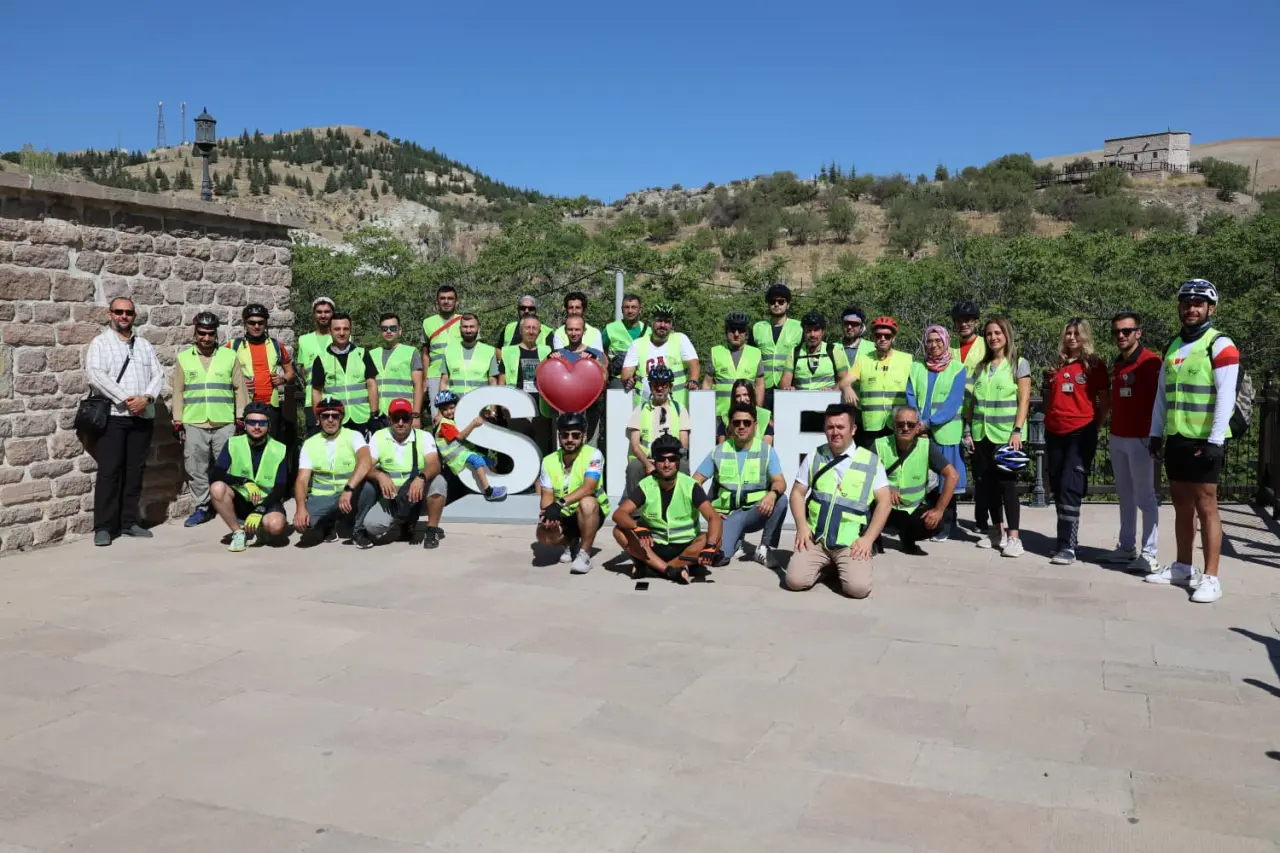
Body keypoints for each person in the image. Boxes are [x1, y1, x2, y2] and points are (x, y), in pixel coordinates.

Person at [1146, 279, 1239, 604]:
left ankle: (1211, 577)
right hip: (1178, 437)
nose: (1191, 309)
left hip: (1205, 439)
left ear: (1211, 308)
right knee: (1181, 504)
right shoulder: (1173, 346)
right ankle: (1183, 566)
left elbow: (1226, 395)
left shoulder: (1220, 344)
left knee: (1207, 505)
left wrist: (1215, 440)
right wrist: (1156, 432)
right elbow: (1163, 395)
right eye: (1186, 303)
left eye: (1198, 304)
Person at [786, 404, 892, 598]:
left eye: (841, 427)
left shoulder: (871, 462)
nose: (835, 432)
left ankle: (845, 565)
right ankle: (828, 566)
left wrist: (868, 539)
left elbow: (885, 503)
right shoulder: (814, 456)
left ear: (853, 429)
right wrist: (801, 527)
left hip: (851, 543)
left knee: (858, 590)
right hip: (817, 539)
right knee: (795, 581)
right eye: (830, 427)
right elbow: (796, 494)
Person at [86, 297, 165, 546]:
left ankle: (129, 522)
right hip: (114, 417)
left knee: (135, 471)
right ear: (110, 314)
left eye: (128, 312)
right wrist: (127, 399)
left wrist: (147, 398)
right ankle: (104, 527)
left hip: (142, 417)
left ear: (134, 316)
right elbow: (96, 376)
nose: (124, 316)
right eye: (119, 311)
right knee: (110, 472)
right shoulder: (100, 343)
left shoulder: (144, 345)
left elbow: (158, 374)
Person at [611, 434, 723, 584]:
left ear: (678, 461)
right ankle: (672, 570)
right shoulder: (646, 485)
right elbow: (619, 514)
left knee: (715, 540)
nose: (666, 464)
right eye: (661, 459)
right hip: (654, 546)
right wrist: (636, 527)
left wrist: (710, 546)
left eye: (671, 459)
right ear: (654, 461)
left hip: (686, 546)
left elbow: (713, 517)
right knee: (619, 531)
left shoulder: (690, 486)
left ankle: (655, 569)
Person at [1042, 318, 1110, 565]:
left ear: (1085, 337)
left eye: (1077, 333)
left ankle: (1066, 546)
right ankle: (1069, 540)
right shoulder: (1055, 365)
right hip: (1054, 432)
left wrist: (1093, 426)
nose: (1072, 337)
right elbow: (1048, 398)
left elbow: (1105, 401)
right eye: (1068, 333)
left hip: (1081, 433)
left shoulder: (1094, 365)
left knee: (1071, 485)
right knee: (1058, 486)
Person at [964, 315, 1032, 556]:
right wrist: (968, 430)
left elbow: (1024, 399)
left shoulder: (1018, 364)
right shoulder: (980, 367)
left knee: (1008, 486)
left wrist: (1017, 430)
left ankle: (1014, 537)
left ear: (1006, 335)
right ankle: (997, 531)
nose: (993, 337)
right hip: (981, 434)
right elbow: (972, 401)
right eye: (989, 334)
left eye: (997, 333)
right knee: (988, 485)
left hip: (1005, 435)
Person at [693, 402, 788, 569]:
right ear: (730, 425)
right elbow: (694, 483)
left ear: (755, 425)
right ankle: (735, 541)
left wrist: (772, 494)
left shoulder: (766, 450)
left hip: (755, 511)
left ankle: (764, 548)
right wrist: (710, 511)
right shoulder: (719, 451)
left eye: (747, 422)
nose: (742, 426)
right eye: (737, 422)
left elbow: (780, 482)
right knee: (719, 559)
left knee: (781, 500)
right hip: (728, 515)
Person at [172, 312, 244, 527]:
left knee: (230, 467)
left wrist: (240, 417)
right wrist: (177, 420)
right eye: (202, 333)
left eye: (210, 334)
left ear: (216, 334)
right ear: (195, 333)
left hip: (224, 422)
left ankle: (232, 505)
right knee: (195, 467)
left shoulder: (229, 356)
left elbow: (239, 388)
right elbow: (178, 391)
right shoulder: (184, 358)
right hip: (194, 421)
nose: (206, 338)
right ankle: (202, 507)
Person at [1103, 310, 1162, 572]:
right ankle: (1127, 547)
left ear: (1138, 333)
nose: (1121, 335)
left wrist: (1157, 436)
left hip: (1142, 438)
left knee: (1145, 497)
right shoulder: (1118, 363)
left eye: (1126, 331)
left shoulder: (1151, 362)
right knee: (1125, 495)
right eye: (1117, 331)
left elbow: (1162, 400)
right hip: (1118, 436)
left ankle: (1149, 553)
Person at [353, 398, 447, 549]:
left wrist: (421, 478)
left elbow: (434, 464)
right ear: (389, 419)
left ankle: (431, 531)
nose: (401, 422)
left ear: (412, 419)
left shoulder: (424, 436)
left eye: (405, 418)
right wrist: (380, 475)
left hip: (418, 493)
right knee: (372, 526)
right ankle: (403, 522)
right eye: (396, 418)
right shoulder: (379, 436)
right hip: (392, 496)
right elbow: (366, 467)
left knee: (439, 482)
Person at [905, 325, 967, 541]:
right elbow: (910, 396)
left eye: (938, 340)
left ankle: (946, 524)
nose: (934, 345)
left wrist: (928, 423)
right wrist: (916, 423)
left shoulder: (957, 368)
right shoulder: (916, 367)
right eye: (930, 341)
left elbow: (952, 403)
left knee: (946, 481)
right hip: (920, 432)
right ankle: (926, 524)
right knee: (925, 480)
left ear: (946, 342)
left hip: (945, 433)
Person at [873, 406, 960, 556]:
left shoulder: (926, 446)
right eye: (901, 424)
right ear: (893, 425)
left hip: (911, 508)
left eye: (911, 425)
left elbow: (952, 475)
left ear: (918, 426)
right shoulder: (879, 445)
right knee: (863, 511)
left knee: (935, 524)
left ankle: (908, 539)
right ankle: (874, 541)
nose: (906, 428)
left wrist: (938, 511)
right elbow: (864, 475)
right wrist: (886, 488)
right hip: (883, 505)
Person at [209, 401, 289, 552]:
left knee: (275, 526)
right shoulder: (233, 443)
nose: (257, 427)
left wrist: (260, 509)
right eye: (252, 422)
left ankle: (260, 528)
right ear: (245, 425)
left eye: (262, 423)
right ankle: (238, 532)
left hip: (266, 499)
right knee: (217, 488)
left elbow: (281, 487)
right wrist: (244, 481)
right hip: (241, 498)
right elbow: (215, 475)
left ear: (269, 426)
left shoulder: (279, 449)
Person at [293, 397, 372, 546]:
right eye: (325, 416)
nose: (330, 420)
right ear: (319, 419)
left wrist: (348, 489)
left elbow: (365, 461)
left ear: (341, 417)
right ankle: (328, 522)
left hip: (348, 493)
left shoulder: (354, 436)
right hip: (322, 496)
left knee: (369, 487)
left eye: (335, 416)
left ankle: (358, 530)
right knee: (304, 525)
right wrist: (300, 508)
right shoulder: (310, 443)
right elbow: (302, 480)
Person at [536, 412, 608, 574]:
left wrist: (558, 504)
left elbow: (589, 487)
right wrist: (548, 516)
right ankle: (569, 542)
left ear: (584, 436)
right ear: (559, 436)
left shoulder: (593, 454)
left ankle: (584, 554)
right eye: (565, 435)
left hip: (590, 513)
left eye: (575, 435)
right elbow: (546, 494)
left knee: (587, 502)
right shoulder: (548, 460)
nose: (570, 439)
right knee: (543, 535)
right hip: (565, 514)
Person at [228, 304, 294, 445]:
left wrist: (283, 379)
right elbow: (222, 375)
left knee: (271, 446)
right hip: (245, 406)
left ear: (266, 324)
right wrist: (238, 383)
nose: (256, 326)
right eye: (252, 323)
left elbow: (290, 372)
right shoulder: (233, 346)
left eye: (260, 323)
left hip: (271, 406)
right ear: (245, 324)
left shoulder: (277, 346)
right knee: (245, 447)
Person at [951, 299, 989, 533]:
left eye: (968, 320)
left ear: (976, 322)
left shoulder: (986, 345)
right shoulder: (949, 346)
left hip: (977, 416)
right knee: (950, 468)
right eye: (959, 321)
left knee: (981, 471)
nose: (963, 324)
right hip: (952, 416)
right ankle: (949, 518)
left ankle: (981, 521)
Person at [850, 316, 914, 448]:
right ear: (873, 337)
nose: (882, 339)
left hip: (898, 423)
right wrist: (847, 388)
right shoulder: (863, 360)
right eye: (878, 335)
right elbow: (845, 381)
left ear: (893, 338)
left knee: (896, 459)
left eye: (887, 336)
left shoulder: (907, 360)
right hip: (871, 425)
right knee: (870, 459)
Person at [624, 365, 689, 494]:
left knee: (684, 467)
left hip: (670, 458)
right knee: (633, 468)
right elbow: (635, 445)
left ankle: (682, 503)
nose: (659, 388)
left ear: (670, 387)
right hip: (647, 459)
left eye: (664, 385)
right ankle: (634, 506)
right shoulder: (640, 410)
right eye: (655, 385)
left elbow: (683, 443)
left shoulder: (679, 409)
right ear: (650, 386)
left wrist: (669, 461)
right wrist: (648, 464)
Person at [620, 303, 700, 408]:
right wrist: (628, 380)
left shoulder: (681, 339)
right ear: (651, 322)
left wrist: (693, 380)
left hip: (676, 407)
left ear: (671, 324)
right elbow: (626, 372)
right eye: (659, 320)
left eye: (667, 322)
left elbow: (694, 364)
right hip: (645, 407)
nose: (663, 325)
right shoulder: (638, 344)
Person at [310, 311, 377, 436]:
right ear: (330, 331)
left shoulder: (362, 354)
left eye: (345, 329)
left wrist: (374, 414)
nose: (341, 333)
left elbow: (371, 385)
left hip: (362, 418)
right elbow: (316, 391)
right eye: (337, 329)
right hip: (334, 419)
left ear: (350, 331)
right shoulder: (321, 359)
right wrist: (319, 419)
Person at [434, 389, 507, 501]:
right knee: (477, 460)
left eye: (451, 408)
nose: (448, 411)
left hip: (464, 452)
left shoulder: (456, 419)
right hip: (455, 457)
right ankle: (489, 491)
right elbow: (460, 437)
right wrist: (473, 424)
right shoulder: (445, 424)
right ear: (440, 411)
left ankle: (498, 482)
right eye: (444, 409)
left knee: (489, 460)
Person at [550, 315, 606, 447]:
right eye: (570, 329)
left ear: (583, 331)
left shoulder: (595, 353)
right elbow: (543, 376)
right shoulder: (557, 354)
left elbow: (604, 378)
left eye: (577, 329)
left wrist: (593, 363)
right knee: (566, 447)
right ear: (565, 331)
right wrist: (552, 361)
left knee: (590, 447)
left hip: (591, 409)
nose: (574, 333)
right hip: (563, 412)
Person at [502, 313, 554, 454]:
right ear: (521, 330)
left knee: (542, 449)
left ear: (539, 332)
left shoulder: (548, 351)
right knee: (518, 450)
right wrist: (502, 404)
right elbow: (502, 379)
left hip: (541, 410)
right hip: (516, 408)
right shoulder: (508, 352)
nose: (531, 331)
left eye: (534, 328)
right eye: (527, 328)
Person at [780, 310, 857, 400]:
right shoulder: (794, 352)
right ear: (804, 332)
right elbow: (785, 382)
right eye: (808, 330)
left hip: (828, 404)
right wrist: (787, 388)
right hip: (802, 404)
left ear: (823, 331)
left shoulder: (834, 351)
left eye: (816, 330)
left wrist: (833, 391)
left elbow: (845, 380)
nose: (812, 334)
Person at [750, 282, 803, 410]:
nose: (776, 304)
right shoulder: (758, 328)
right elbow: (750, 358)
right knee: (763, 420)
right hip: (763, 387)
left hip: (789, 387)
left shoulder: (799, 327)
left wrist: (796, 383)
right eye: (772, 301)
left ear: (788, 304)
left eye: (781, 301)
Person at [705, 311, 764, 424]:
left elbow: (760, 385)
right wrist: (706, 410)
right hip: (719, 415)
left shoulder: (756, 353)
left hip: (745, 416)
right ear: (726, 331)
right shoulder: (715, 352)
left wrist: (758, 410)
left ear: (746, 332)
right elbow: (707, 384)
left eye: (740, 330)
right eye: (732, 330)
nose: (736, 334)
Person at [370, 312, 425, 427]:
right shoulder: (371, 354)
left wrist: (416, 416)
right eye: (384, 328)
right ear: (380, 331)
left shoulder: (411, 352)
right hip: (379, 415)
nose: (388, 331)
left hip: (403, 414)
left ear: (399, 331)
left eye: (393, 328)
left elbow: (419, 386)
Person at [421, 284, 462, 417]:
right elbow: (425, 353)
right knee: (437, 416)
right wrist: (425, 380)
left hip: (459, 374)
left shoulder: (465, 321)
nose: (446, 301)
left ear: (456, 301)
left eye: (450, 298)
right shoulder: (428, 323)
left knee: (460, 414)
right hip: (435, 375)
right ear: (437, 301)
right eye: (443, 298)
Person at [295, 297, 334, 434]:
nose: (323, 315)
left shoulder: (342, 337)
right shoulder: (304, 340)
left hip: (336, 398)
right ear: (314, 314)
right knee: (315, 437)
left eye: (327, 312)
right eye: (319, 312)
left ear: (332, 314)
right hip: (311, 401)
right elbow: (303, 370)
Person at [439, 314, 500, 397]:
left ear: (478, 328)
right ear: (460, 328)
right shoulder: (448, 351)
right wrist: (442, 402)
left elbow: (492, 381)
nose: (468, 330)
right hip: (454, 403)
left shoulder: (489, 351)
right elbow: (444, 381)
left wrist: (492, 404)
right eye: (465, 327)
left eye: (472, 327)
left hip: (480, 402)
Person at [603, 293, 648, 388]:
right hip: (617, 379)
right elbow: (602, 350)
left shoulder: (649, 331)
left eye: (634, 307)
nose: (630, 311)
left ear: (640, 310)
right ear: (622, 309)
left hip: (642, 379)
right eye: (626, 307)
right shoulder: (610, 329)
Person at [716, 379, 773, 444]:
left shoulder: (764, 415)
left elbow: (767, 447)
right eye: (738, 396)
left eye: (745, 395)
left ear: (751, 395)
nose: (742, 399)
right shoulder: (725, 417)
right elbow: (722, 446)